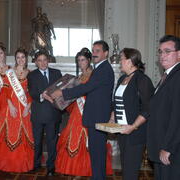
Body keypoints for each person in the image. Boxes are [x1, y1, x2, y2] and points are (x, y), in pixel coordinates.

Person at [51, 40, 114, 180]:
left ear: (106, 53)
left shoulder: (104, 70)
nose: (95, 53)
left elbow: (86, 88)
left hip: (98, 117)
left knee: (97, 153)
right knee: (96, 154)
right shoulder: (100, 68)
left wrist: (62, 93)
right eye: (94, 51)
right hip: (94, 116)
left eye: (98, 51)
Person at [110, 48, 154, 180]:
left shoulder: (142, 80)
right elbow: (115, 102)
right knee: (126, 169)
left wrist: (133, 126)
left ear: (130, 61)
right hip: (122, 130)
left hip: (135, 132)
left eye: (122, 59)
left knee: (131, 172)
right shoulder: (122, 78)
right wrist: (112, 118)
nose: (120, 62)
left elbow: (147, 109)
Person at [0, 47, 34, 172]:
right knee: (10, 133)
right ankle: (8, 162)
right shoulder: (10, 72)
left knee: (24, 134)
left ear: (26, 59)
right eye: (18, 57)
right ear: (15, 59)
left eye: (23, 57)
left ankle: (23, 163)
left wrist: (28, 106)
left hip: (24, 106)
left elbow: (31, 93)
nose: (20, 59)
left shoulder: (30, 73)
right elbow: (4, 91)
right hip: (12, 107)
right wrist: (10, 105)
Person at [147, 35, 180, 180]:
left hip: (171, 150)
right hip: (161, 145)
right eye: (160, 52)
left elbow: (177, 117)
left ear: (179, 54)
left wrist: (168, 147)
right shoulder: (167, 76)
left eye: (167, 51)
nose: (162, 55)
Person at [27, 51, 62, 176]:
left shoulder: (57, 73)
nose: (42, 62)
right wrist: (43, 95)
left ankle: (51, 167)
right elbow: (32, 93)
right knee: (37, 142)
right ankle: (36, 165)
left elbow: (62, 90)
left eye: (44, 59)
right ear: (36, 62)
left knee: (52, 142)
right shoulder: (32, 76)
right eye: (39, 60)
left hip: (53, 114)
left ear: (48, 60)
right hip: (38, 114)